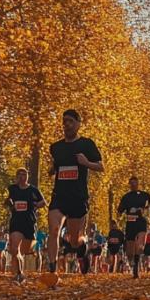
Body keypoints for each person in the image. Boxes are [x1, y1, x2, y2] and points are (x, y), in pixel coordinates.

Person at [46, 109, 104, 275]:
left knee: (74, 240)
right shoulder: (55, 147)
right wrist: (52, 169)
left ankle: (83, 248)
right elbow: (55, 166)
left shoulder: (86, 144)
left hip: (78, 197)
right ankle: (52, 269)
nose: (67, 125)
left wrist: (86, 162)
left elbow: (101, 167)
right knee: (54, 230)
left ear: (78, 124)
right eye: (65, 121)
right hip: (59, 196)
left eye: (71, 121)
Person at [5, 167, 45, 283]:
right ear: (17, 176)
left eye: (25, 174)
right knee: (14, 249)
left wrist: (36, 205)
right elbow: (7, 200)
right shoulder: (12, 188)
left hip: (29, 222)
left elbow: (43, 202)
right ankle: (18, 274)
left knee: (23, 251)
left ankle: (20, 273)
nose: (23, 177)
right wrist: (9, 203)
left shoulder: (33, 189)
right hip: (16, 221)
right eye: (20, 174)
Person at [116, 176, 150, 278]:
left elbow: (149, 207)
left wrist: (144, 210)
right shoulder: (126, 197)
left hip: (141, 222)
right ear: (129, 184)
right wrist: (118, 215)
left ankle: (136, 266)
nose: (133, 185)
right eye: (131, 183)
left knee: (140, 245)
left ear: (138, 183)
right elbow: (120, 211)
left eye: (135, 183)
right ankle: (132, 262)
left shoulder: (145, 195)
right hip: (130, 223)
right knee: (129, 252)